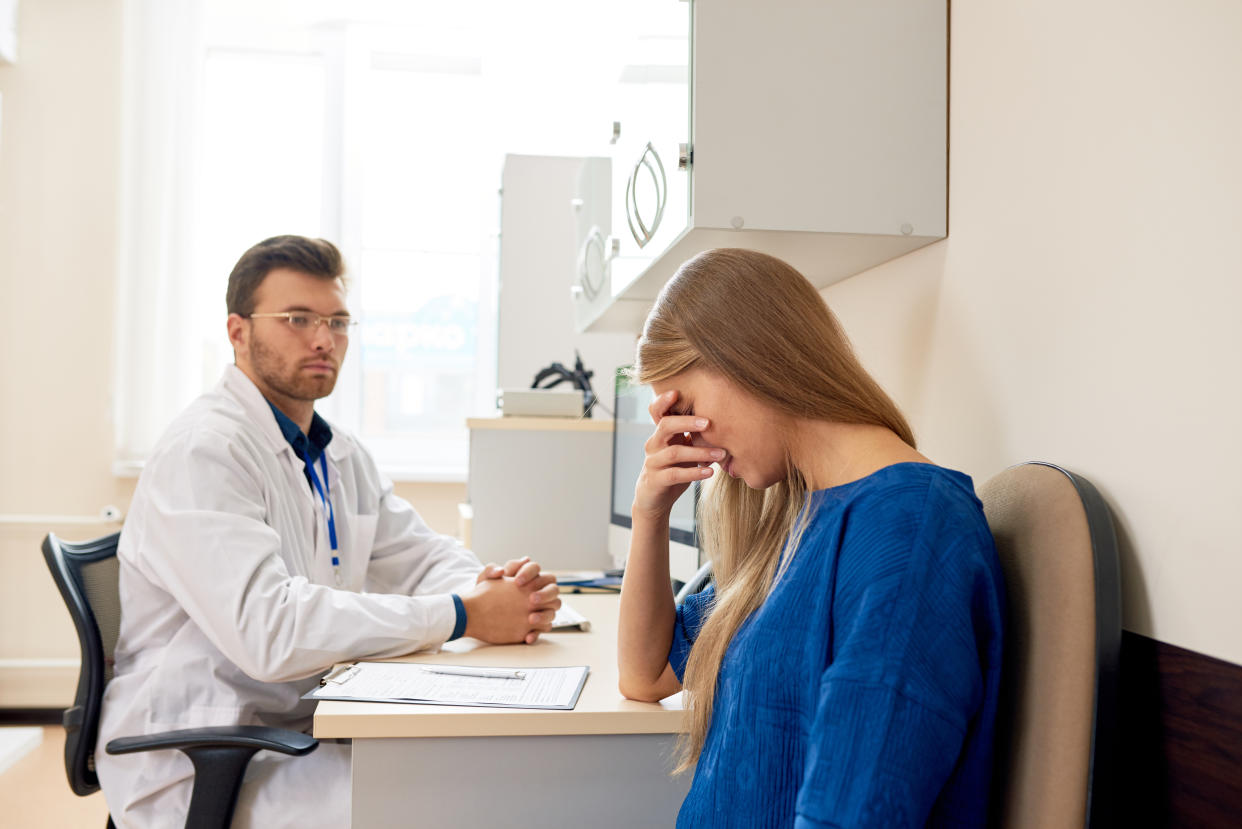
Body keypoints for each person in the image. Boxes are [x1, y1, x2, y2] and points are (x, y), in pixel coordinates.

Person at [97, 235, 561, 828]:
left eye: (338, 321)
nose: (324, 339)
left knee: (474, 770)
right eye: (298, 319)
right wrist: (463, 613)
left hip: (294, 729)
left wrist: (496, 589)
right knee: (455, 800)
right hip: (206, 758)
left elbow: (418, 555)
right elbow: (271, 632)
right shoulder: (204, 452)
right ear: (238, 332)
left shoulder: (335, 451)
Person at [617, 248, 1005, 827]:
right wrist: (649, 514)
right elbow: (645, 675)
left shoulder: (909, 529)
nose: (692, 444)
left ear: (748, 360)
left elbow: (855, 812)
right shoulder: (793, 523)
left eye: (688, 409)